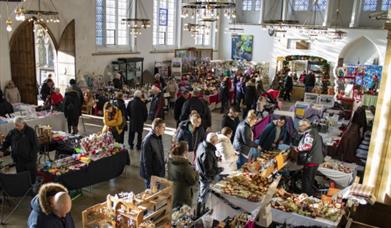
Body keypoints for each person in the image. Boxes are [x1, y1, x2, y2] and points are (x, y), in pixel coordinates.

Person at [1, 117, 38, 183]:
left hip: (29, 160)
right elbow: (7, 142)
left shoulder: (30, 131)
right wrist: (2, 150)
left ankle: (33, 188)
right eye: (15, 125)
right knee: (21, 176)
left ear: (23, 123)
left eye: (18, 125)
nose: (16, 127)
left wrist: (32, 156)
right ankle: (23, 188)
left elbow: (36, 145)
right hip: (18, 160)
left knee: (31, 176)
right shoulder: (12, 132)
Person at [294, 119, 324, 196]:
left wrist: (297, 149)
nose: (299, 128)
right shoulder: (314, 131)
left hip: (311, 160)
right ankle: (309, 195)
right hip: (316, 160)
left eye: (300, 126)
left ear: (305, 126)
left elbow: (307, 146)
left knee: (306, 181)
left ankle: (305, 197)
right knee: (310, 180)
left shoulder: (309, 133)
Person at [195, 132, 222, 216]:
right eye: (217, 140)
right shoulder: (207, 152)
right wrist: (219, 169)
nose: (218, 142)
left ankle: (200, 210)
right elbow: (209, 171)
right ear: (213, 141)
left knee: (202, 193)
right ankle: (200, 213)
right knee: (203, 195)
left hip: (201, 173)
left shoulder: (202, 145)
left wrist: (216, 158)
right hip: (206, 177)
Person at [167, 141, 198, 208]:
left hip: (173, 191)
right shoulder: (185, 165)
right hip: (183, 195)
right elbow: (193, 181)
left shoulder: (170, 160)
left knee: (174, 211)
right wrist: (196, 172)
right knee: (182, 214)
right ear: (185, 152)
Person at [140, 118, 166, 188]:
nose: (165, 129)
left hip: (158, 173)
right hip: (152, 176)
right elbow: (146, 161)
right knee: (152, 196)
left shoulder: (158, 137)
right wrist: (150, 178)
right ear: (157, 128)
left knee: (156, 195)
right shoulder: (148, 141)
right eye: (163, 127)